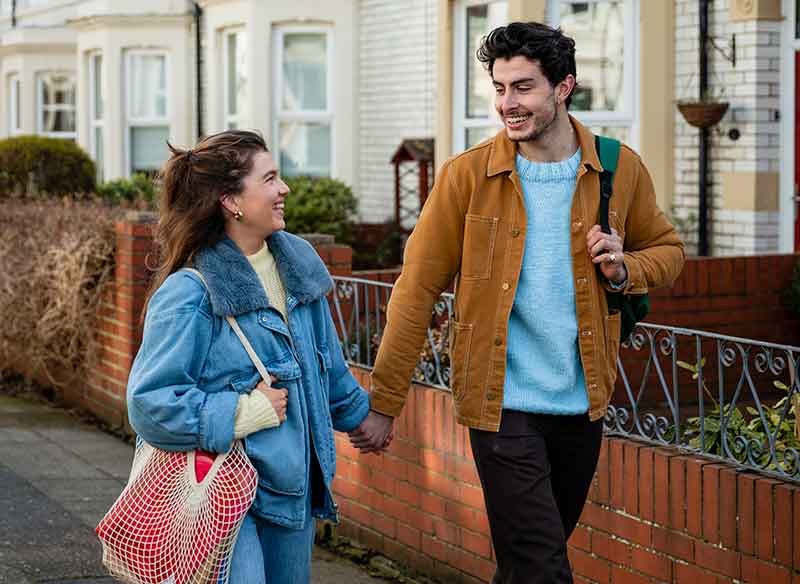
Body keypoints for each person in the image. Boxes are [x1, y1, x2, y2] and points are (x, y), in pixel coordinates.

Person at [350, 22, 685, 583]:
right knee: (543, 566)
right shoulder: (467, 177)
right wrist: (385, 401)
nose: (508, 103)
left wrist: (627, 266)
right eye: (500, 88)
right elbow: (415, 292)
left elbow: (669, 251)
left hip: (583, 404)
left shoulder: (617, 168)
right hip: (501, 404)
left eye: (523, 87)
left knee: (529, 561)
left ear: (563, 87)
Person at [126, 130, 371, 584]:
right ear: (230, 201)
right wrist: (243, 411)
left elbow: (327, 363)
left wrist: (362, 417)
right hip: (221, 490)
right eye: (271, 179)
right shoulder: (191, 291)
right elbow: (149, 403)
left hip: (293, 489)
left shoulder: (298, 264)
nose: (285, 189)